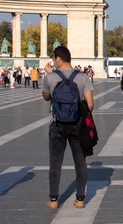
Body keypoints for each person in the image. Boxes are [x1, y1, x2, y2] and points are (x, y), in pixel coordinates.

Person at [43, 46, 94, 210]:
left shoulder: (50, 77)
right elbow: (91, 105)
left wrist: (48, 74)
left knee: (55, 162)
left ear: (58, 58)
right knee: (80, 162)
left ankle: (53, 199)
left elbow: (46, 97)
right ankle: (80, 199)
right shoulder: (82, 77)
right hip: (77, 124)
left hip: (57, 125)